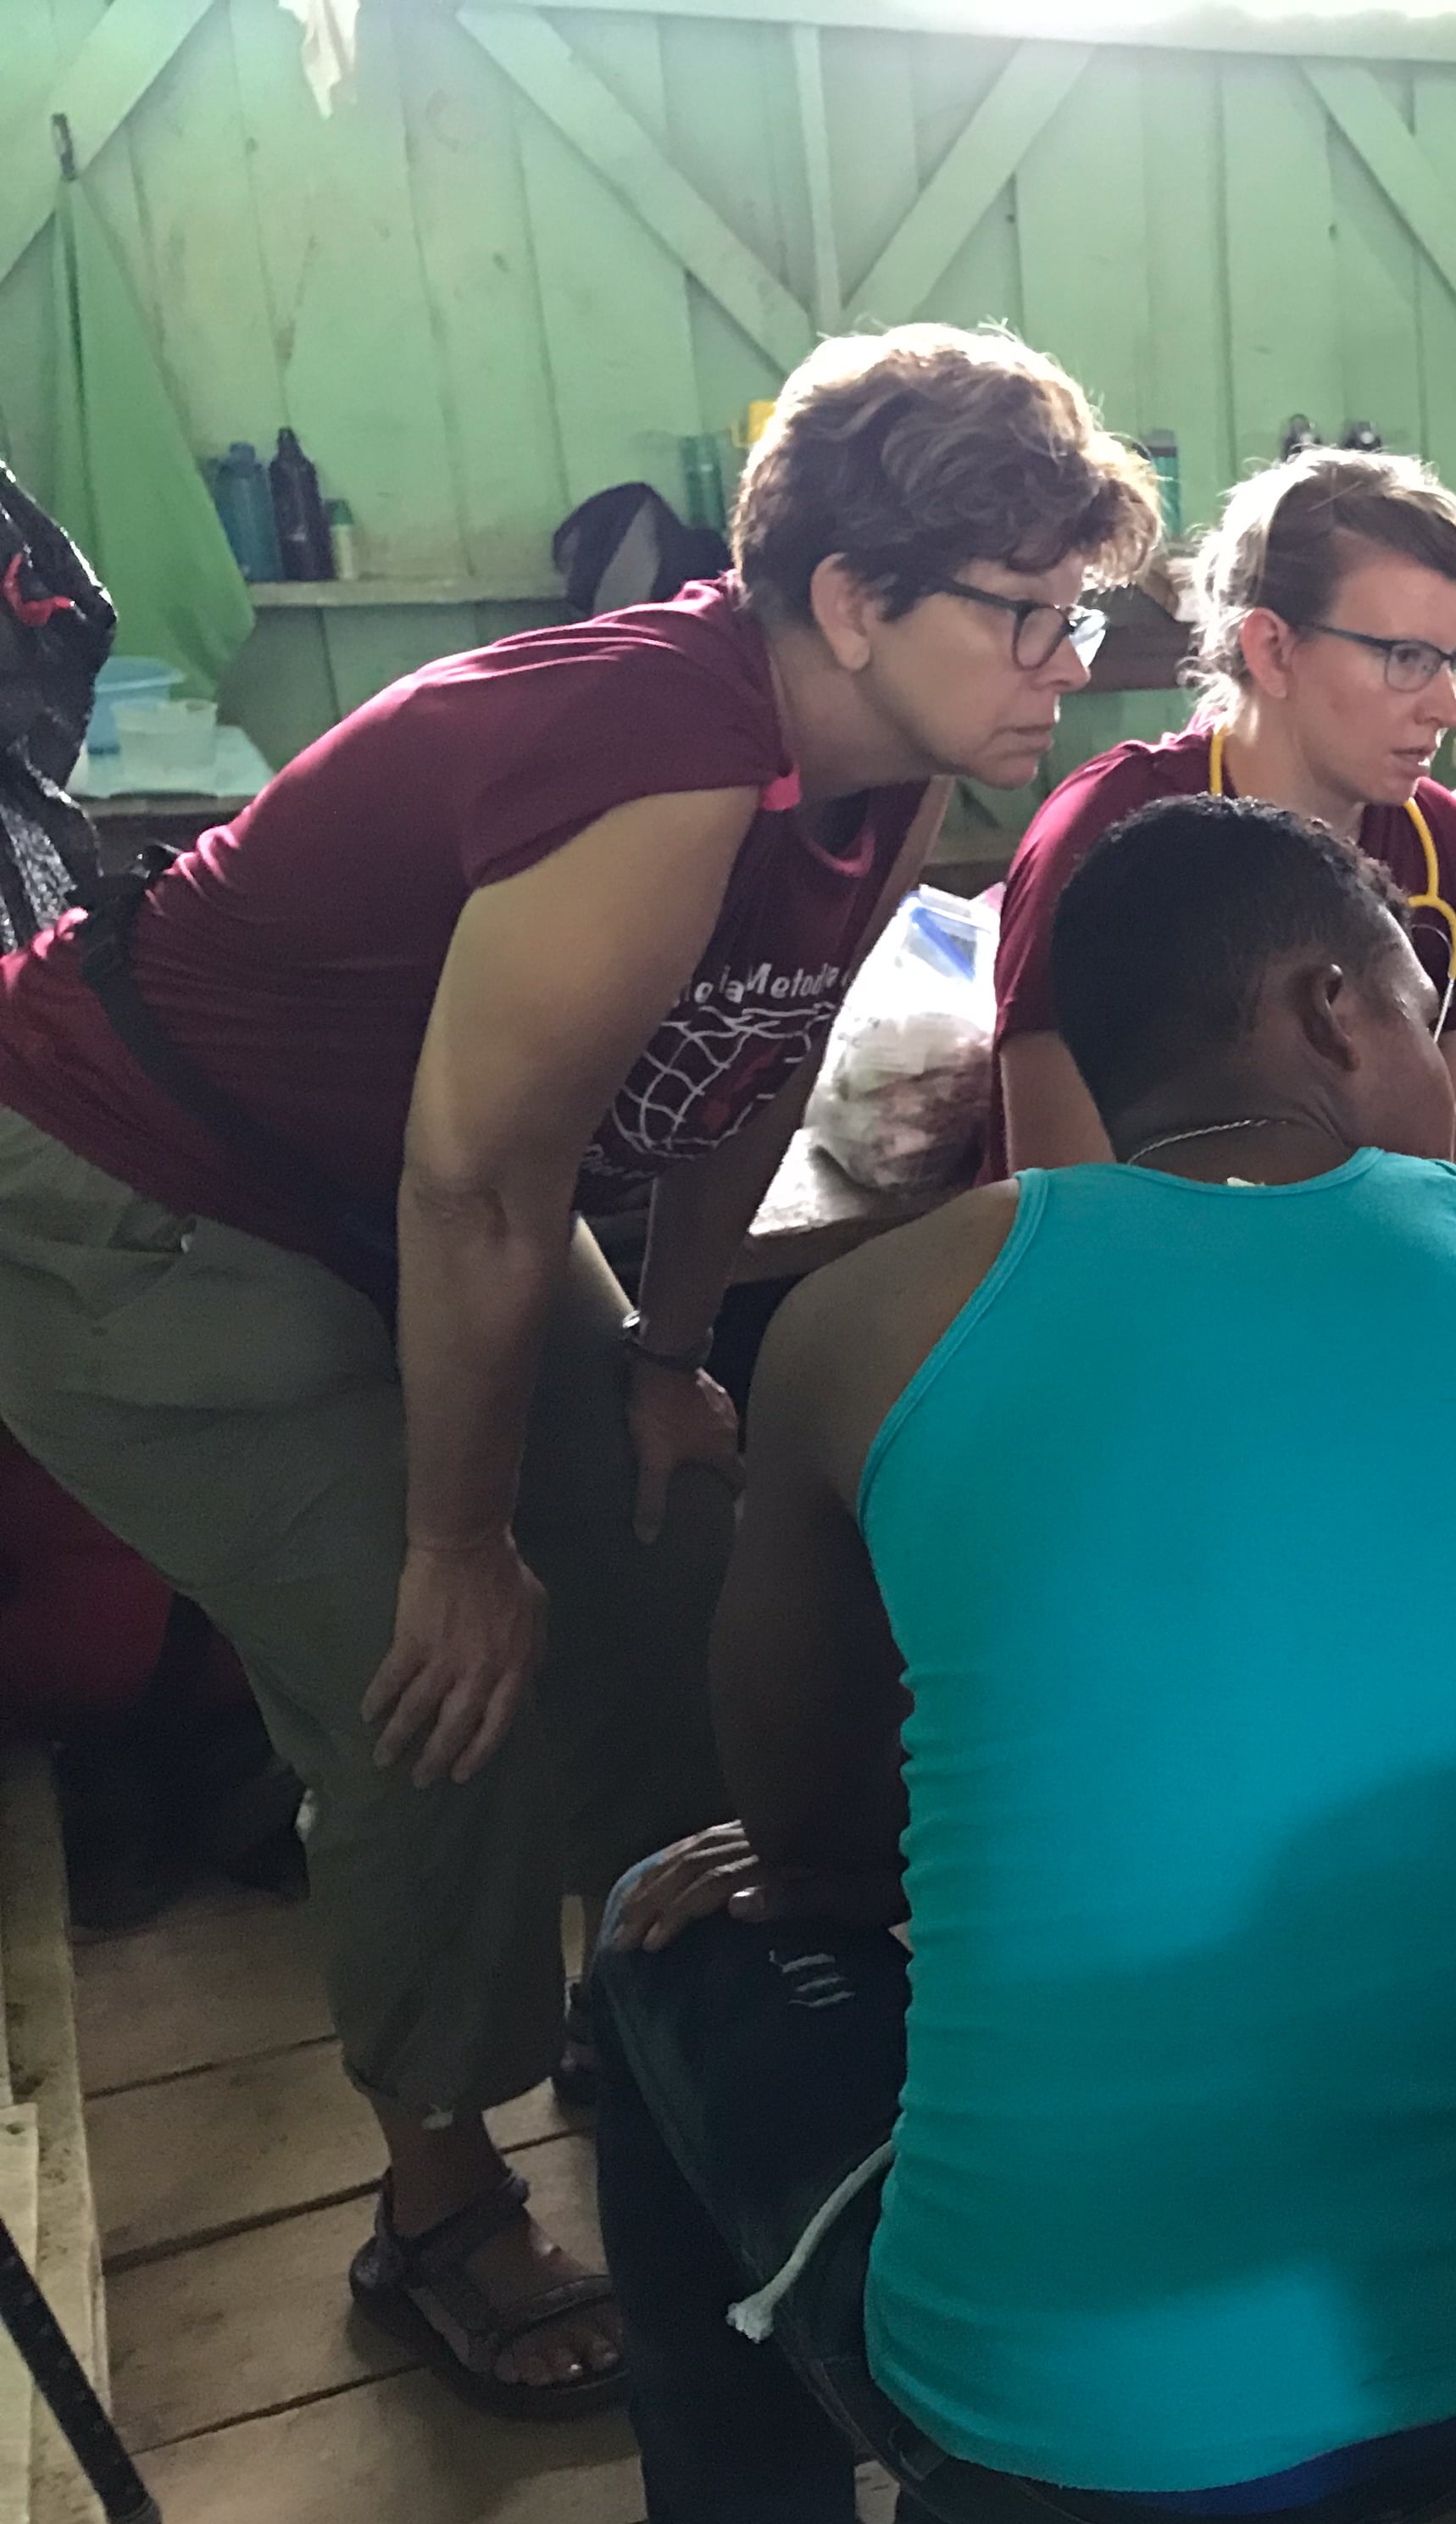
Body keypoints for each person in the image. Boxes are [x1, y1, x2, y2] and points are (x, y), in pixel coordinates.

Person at [0, 324, 1155, 2412]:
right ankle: (435, 2202)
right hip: (136, 1183)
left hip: (397, 1199)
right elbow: (480, 1177)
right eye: (1028, 615)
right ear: (849, 599)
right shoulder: (658, 745)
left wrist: (676, 1357)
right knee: (432, 1678)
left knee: (667, 1536)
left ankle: (666, 2020)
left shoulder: (882, 774)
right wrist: (455, 1535)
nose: (1067, 665)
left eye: (1082, 615)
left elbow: (742, 1073)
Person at [589, 795, 1456, 2524]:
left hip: (1073, 2428)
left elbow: (812, 1840)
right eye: (1417, 1014)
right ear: (1332, 1011)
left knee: (651, 1924)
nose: (1455, 1088)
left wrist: (922, 1882)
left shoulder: (879, 1318)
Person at [986, 447, 1456, 1185]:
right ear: (1273, 648)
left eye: (1455, 663)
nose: (1449, 707)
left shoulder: (1452, 855)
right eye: (1406, 658)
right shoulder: (1107, 840)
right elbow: (1069, 1204)